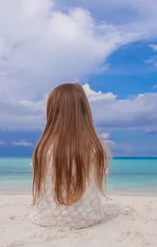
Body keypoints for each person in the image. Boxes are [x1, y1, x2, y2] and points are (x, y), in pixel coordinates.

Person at [29, 83, 111, 229]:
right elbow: (99, 176)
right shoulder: (97, 148)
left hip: (46, 219)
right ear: (84, 110)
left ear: (52, 111)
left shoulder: (42, 148)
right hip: (88, 218)